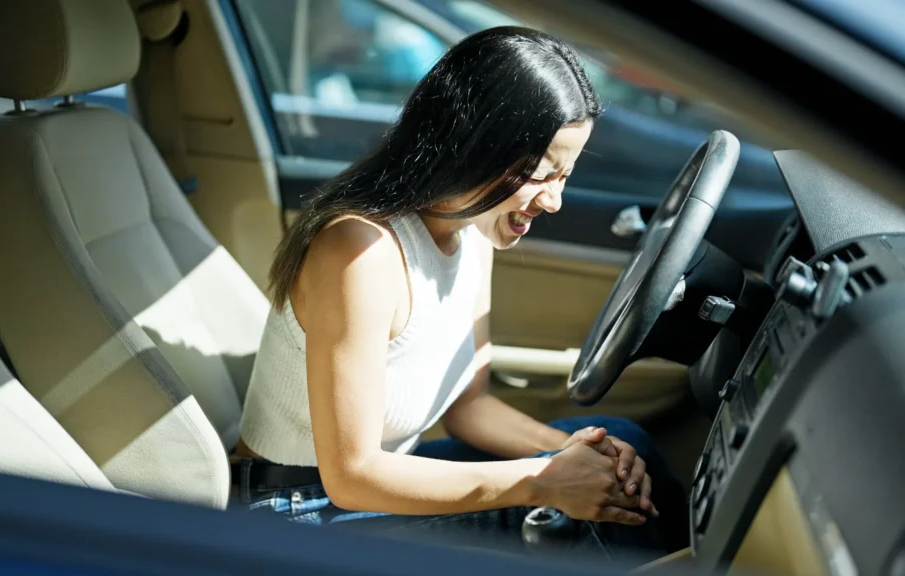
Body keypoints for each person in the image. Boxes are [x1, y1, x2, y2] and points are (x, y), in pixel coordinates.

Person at [234, 26, 687, 561]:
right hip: (298, 511)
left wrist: (571, 452)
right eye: (539, 174)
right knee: (585, 517)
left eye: (565, 175)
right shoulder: (359, 252)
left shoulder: (474, 229)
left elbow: (469, 406)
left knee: (617, 444)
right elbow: (351, 476)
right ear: (471, 147)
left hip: (361, 488)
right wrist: (543, 480)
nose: (555, 201)